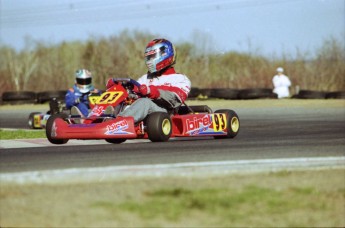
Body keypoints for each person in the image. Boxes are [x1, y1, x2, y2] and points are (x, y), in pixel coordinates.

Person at [106, 38, 191, 123]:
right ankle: (103, 117)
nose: (149, 60)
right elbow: (134, 92)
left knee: (145, 102)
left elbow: (174, 100)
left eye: (153, 56)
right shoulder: (145, 78)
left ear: (165, 54)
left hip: (166, 113)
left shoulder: (180, 79)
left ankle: (117, 123)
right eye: (148, 57)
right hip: (144, 113)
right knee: (123, 100)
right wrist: (118, 87)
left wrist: (152, 91)